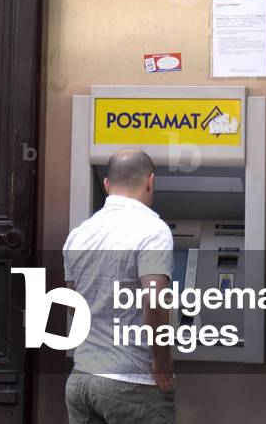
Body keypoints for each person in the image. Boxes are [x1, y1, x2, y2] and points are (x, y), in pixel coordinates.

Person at [63, 149, 175, 424]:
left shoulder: (79, 234)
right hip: (132, 382)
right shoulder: (153, 230)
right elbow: (155, 300)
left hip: (82, 379)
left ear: (106, 185)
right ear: (150, 181)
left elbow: (72, 304)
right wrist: (161, 361)